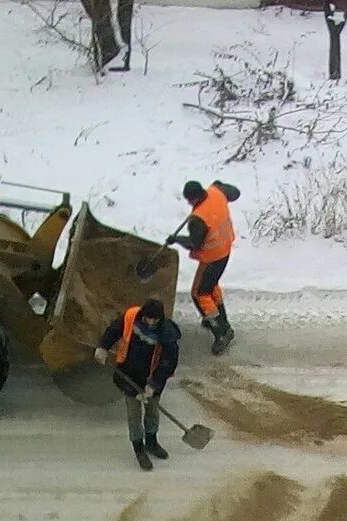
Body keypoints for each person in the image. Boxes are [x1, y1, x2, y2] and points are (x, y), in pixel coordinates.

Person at [94, 298, 181, 471]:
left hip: (152, 378)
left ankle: (152, 442)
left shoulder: (167, 334)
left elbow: (167, 363)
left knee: (152, 411)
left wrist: (153, 385)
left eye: (155, 319)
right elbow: (114, 329)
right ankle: (139, 448)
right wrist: (103, 346)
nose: (151, 322)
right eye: (149, 318)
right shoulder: (131, 316)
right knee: (134, 415)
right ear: (143, 315)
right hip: (129, 375)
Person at [167, 180, 240, 355]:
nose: (188, 204)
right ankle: (218, 319)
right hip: (225, 250)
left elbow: (194, 244)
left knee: (199, 294)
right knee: (211, 285)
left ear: (194, 198)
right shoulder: (216, 191)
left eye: (189, 200)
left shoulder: (198, 220)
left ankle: (221, 332)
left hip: (212, 257)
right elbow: (235, 193)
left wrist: (176, 239)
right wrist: (223, 188)